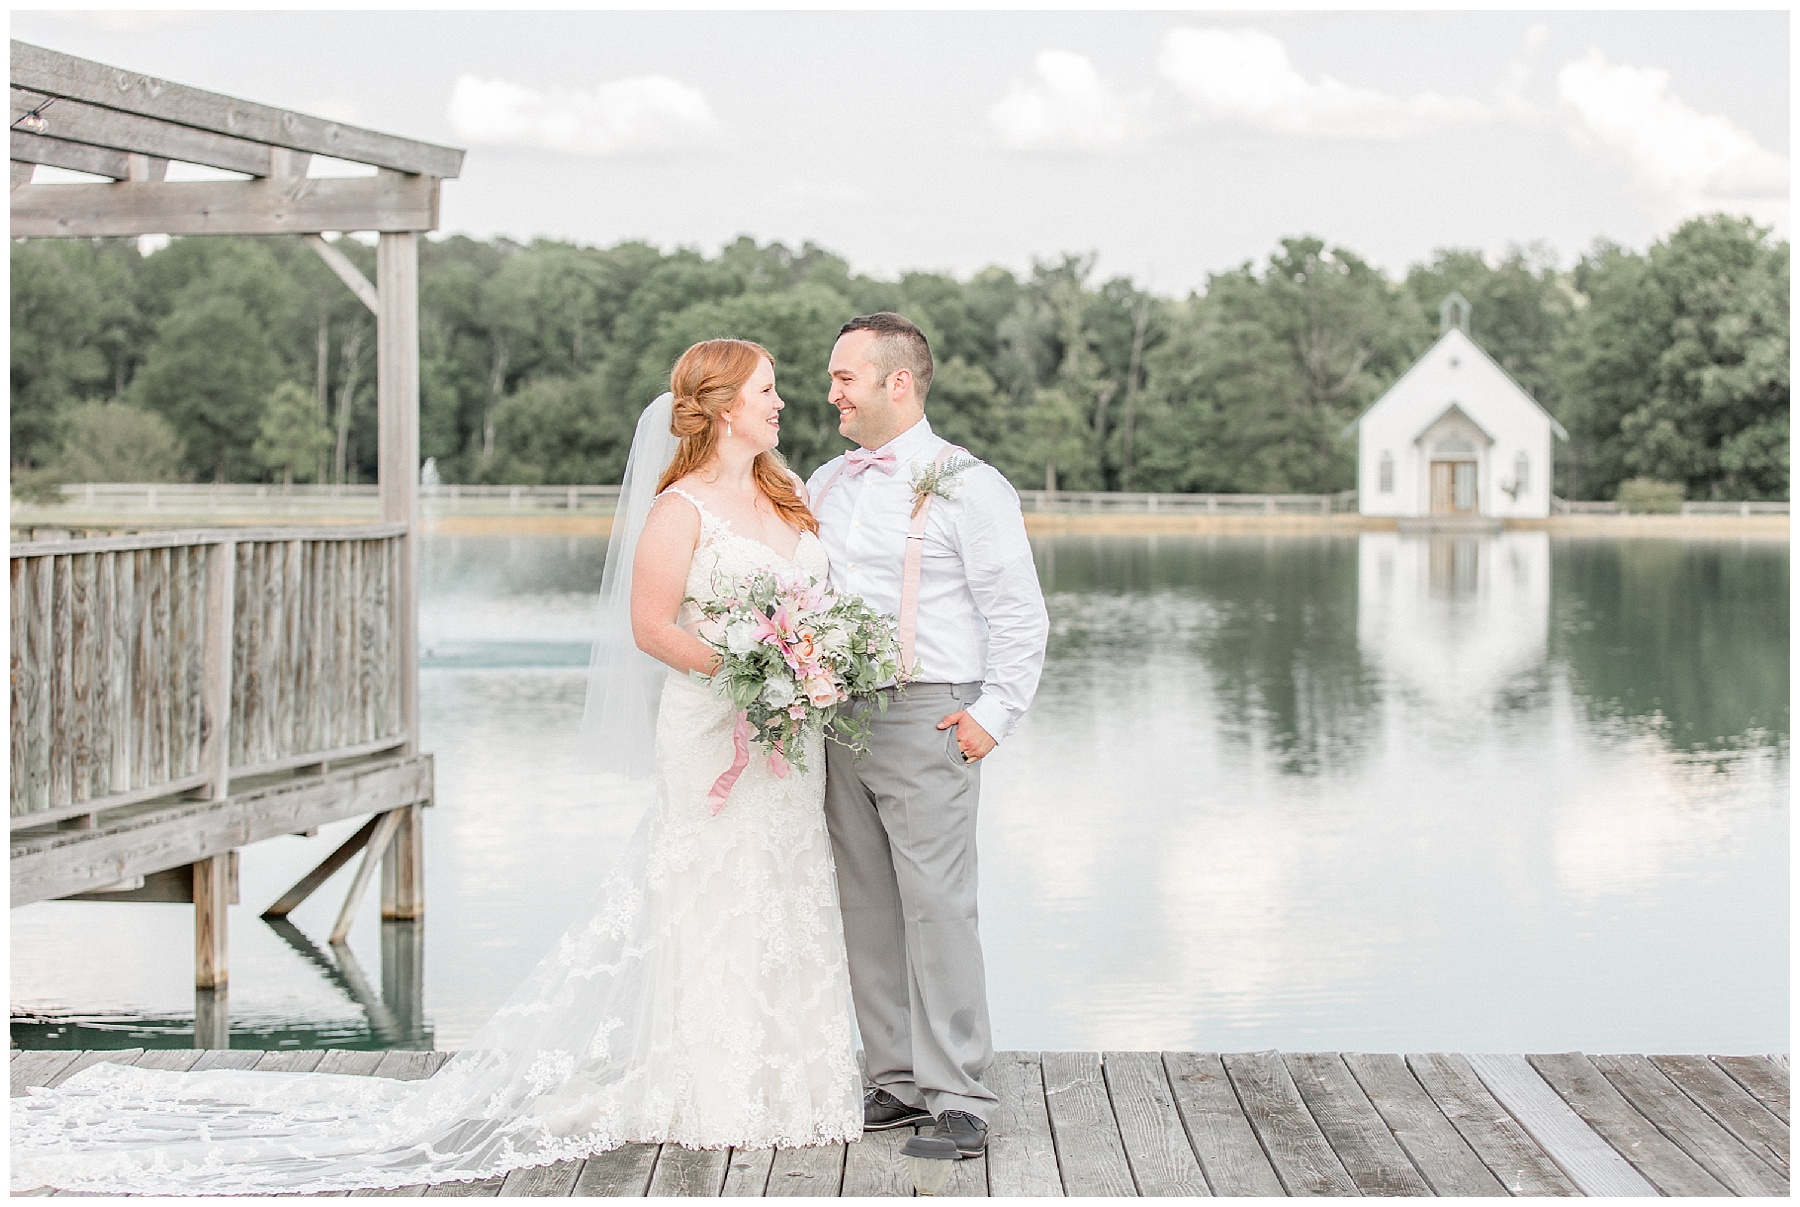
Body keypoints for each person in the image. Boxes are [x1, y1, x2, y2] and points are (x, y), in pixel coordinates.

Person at [10, 339, 861, 1195]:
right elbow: (652, 627)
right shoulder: (679, 509)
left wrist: (806, 666)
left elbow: (814, 606)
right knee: (715, 894)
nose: (782, 402)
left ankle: (795, 1082)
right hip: (714, 730)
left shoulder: (785, 493)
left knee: (788, 888)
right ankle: (718, 1090)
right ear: (719, 407)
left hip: (788, 741)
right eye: (767, 389)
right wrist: (751, 671)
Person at [808, 313, 1050, 1161]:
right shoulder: (824, 484)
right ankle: (896, 1077)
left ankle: (960, 1096)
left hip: (929, 711)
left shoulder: (971, 486)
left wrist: (993, 713)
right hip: (834, 714)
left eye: (845, 377)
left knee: (939, 906)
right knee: (865, 901)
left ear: (896, 382)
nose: (830, 391)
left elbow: (1018, 612)